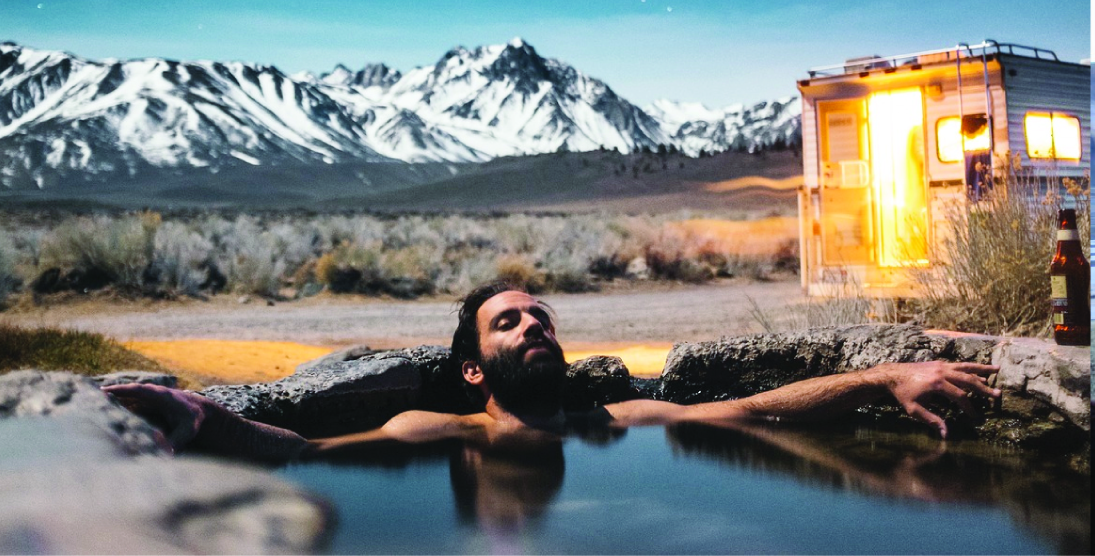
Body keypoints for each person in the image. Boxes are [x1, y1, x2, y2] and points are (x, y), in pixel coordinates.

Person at [104, 282, 1002, 460]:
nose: (533, 323)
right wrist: (190, 412)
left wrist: (883, 377)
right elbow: (296, 450)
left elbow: (762, 407)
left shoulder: (618, 422)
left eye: (541, 315)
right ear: (470, 371)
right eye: (508, 320)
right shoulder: (435, 432)